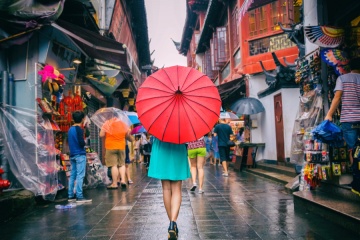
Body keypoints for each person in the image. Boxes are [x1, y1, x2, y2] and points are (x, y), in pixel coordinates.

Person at [325, 57, 360, 196]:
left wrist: (329, 114)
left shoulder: (343, 78)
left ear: (349, 66)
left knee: (353, 150)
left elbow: (337, 97)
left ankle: (357, 183)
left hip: (349, 120)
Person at [148, 138, 190, 240]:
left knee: (166, 189)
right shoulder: (182, 121)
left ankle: (171, 224)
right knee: (177, 188)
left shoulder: (158, 121)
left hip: (161, 146)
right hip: (178, 144)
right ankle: (173, 222)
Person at [67, 111, 92, 203]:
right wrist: (84, 141)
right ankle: (79, 196)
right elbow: (81, 143)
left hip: (72, 154)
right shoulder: (79, 129)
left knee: (73, 175)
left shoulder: (70, 129)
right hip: (80, 154)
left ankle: (70, 195)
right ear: (82, 119)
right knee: (80, 175)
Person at [100, 117, 129, 189]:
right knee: (122, 164)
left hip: (110, 147)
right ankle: (123, 180)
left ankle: (114, 183)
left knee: (114, 165)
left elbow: (101, 135)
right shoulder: (123, 124)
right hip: (121, 146)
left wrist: (103, 129)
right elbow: (127, 134)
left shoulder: (107, 123)